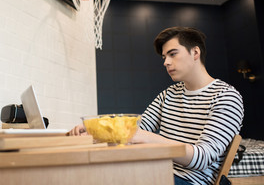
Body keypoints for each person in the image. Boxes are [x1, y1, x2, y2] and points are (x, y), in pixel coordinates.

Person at [70, 27, 244, 185]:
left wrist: (146, 137)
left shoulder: (226, 97)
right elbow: (136, 128)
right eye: (164, 57)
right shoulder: (169, 94)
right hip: (154, 171)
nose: (166, 62)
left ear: (195, 52)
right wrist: (93, 129)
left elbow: (202, 158)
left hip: (189, 181)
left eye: (173, 54)